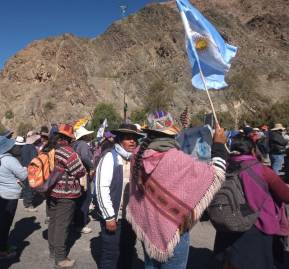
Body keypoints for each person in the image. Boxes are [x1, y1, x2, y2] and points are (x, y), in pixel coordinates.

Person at [127, 111, 227, 269]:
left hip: (147, 225)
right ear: (171, 133)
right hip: (175, 233)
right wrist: (219, 145)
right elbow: (215, 174)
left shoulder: (137, 154)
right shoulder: (176, 159)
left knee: (150, 266)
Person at [213, 134, 289, 269]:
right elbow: (285, 195)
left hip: (228, 221)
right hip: (256, 227)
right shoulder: (262, 170)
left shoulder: (223, 167)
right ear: (253, 150)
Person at [95, 123, 144, 269]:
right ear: (120, 140)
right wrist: (109, 216)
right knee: (110, 255)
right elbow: (101, 187)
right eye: (128, 138)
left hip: (130, 217)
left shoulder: (136, 159)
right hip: (114, 216)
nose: (132, 141)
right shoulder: (110, 157)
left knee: (127, 251)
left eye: (135, 138)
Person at [47, 124, 86, 269]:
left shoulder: (50, 149)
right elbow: (79, 171)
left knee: (54, 222)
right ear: (69, 139)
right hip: (66, 194)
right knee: (62, 225)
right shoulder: (68, 152)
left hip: (51, 191)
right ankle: (61, 258)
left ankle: (53, 251)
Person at [0, 136, 27, 259]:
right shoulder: (10, 160)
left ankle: (3, 246)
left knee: (2, 221)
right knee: (6, 223)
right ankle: (2, 250)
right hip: (10, 195)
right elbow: (23, 175)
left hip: (2, 193)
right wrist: (26, 168)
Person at [72, 126, 94, 234]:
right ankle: (81, 224)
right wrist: (92, 167)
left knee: (79, 198)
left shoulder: (74, 144)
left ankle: (76, 221)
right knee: (86, 198)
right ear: (85, 136)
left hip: (76, 174)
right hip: (83, 174)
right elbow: (85, 157)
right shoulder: (83, 145)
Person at [21, 130, 41, 212]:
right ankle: (29, 205)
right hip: (31, 170)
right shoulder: (32, 148)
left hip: (24, 168)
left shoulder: (24, 147)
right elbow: (34, 160)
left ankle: (26, 203)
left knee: (26, 187)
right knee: (30, 187)